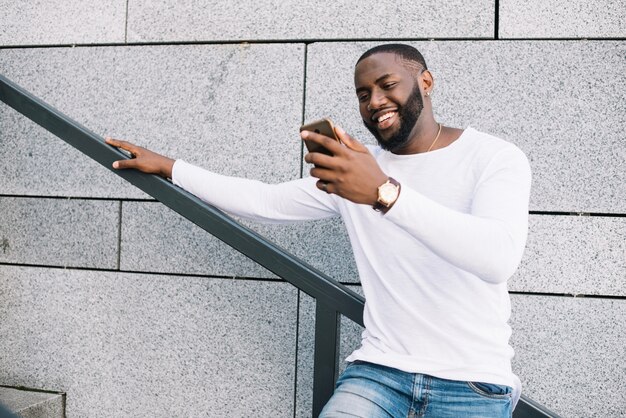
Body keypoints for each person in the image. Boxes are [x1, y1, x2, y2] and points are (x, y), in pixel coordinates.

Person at [106, 43, 531, 417]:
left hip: (472, 382)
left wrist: (385, 193)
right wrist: (170, 167)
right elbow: (264, 201)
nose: (375, 101)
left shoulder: (493, 157)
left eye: (387, 85)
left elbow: (497, 258)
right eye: (363, 94)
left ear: (425, 81)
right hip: (381, 372)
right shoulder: (355, 174)